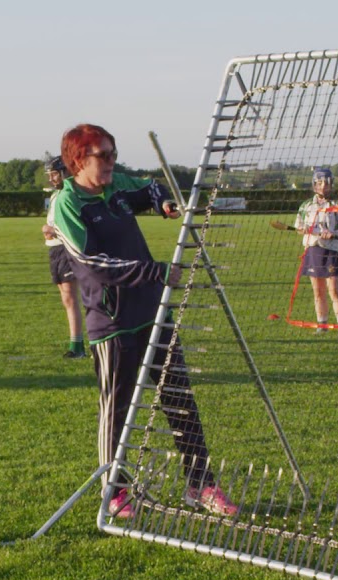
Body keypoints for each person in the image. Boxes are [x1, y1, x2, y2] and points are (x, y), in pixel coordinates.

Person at [48, 123, 237, 518]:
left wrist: (162, 202)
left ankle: (199, 483)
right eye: (104, 156)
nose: (113, 164)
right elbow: (90, 263)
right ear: (79, 159)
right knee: (116, 408)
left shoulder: (115, 187)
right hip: (112, 322)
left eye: (114, 154)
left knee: (180, 400)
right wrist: (153, 271)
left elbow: (150, 186)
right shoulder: (66, 205)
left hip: (153, 312)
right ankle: (114, 490)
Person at [295, 167, 338, 336]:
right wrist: (304, 229)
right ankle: (322, 324)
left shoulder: (337, 205)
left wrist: (334, 233)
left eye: (326, 183)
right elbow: (299, 227)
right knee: (318, 290)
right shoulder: (306, 206)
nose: (323, 187)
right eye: (320, 183)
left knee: (334, 289)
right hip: (313, 248)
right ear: (314, 185)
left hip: (332, 250)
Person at [40, 155, 85, 358]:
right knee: (66, 298)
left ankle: (78, 346)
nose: (52, 179)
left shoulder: (71, 193)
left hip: (66, 249)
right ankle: (77, 343)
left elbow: (74, 226)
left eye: (55, 174)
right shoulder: (56, 195)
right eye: (49, 175)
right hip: (55, 250)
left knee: (72, 296)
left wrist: (52, 230)